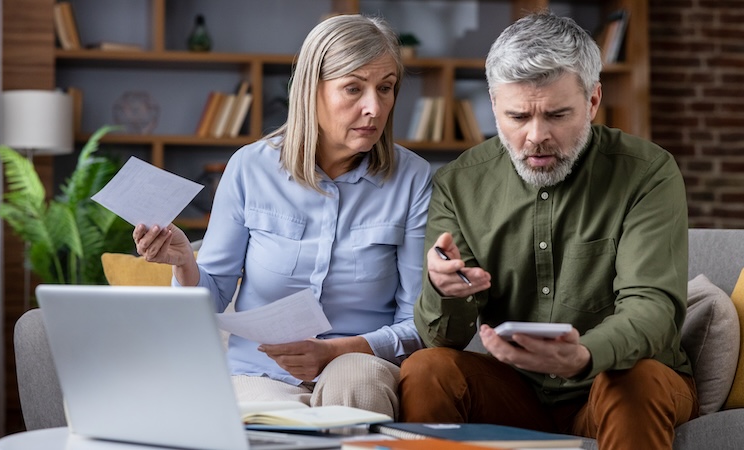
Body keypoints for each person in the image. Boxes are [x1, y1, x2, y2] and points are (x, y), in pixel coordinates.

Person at [398, 11, 698, 449]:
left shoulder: (648, 172)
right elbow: (444, 338)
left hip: (616, 381)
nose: (536, 136)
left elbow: (652, 309)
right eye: (518, 117)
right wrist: (447, 292)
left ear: (594, 101)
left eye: (557, 115)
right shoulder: (458, 183)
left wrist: (584, 355)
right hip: (515, 392)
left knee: (636, 380)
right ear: (494, 105)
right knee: (426, 369)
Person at [133, 14, 432, 419]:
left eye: (386, 88)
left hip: (358, 362)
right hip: (261, 369)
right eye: (353, 88)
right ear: (312, 90)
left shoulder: (413, 179)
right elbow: (213, 295)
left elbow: (418, 324)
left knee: (355, 381)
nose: (373, 107)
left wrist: (334, 351)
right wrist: (185, 263)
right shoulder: (249, 168)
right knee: (257, 417)